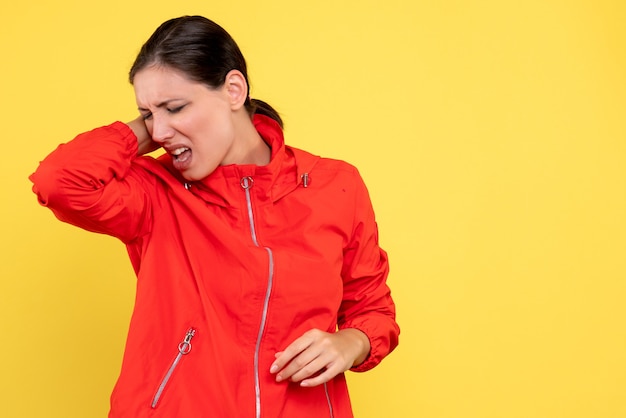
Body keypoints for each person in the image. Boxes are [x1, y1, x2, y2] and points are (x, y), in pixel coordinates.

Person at [30, 15, 399, 418]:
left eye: (175, 106)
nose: (163, 130)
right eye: (148, 114)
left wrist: (353, 341)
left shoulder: (335, 185)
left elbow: (373, 309)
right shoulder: (156, 193)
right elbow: (58, 181)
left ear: (233, 90)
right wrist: (149, 128)